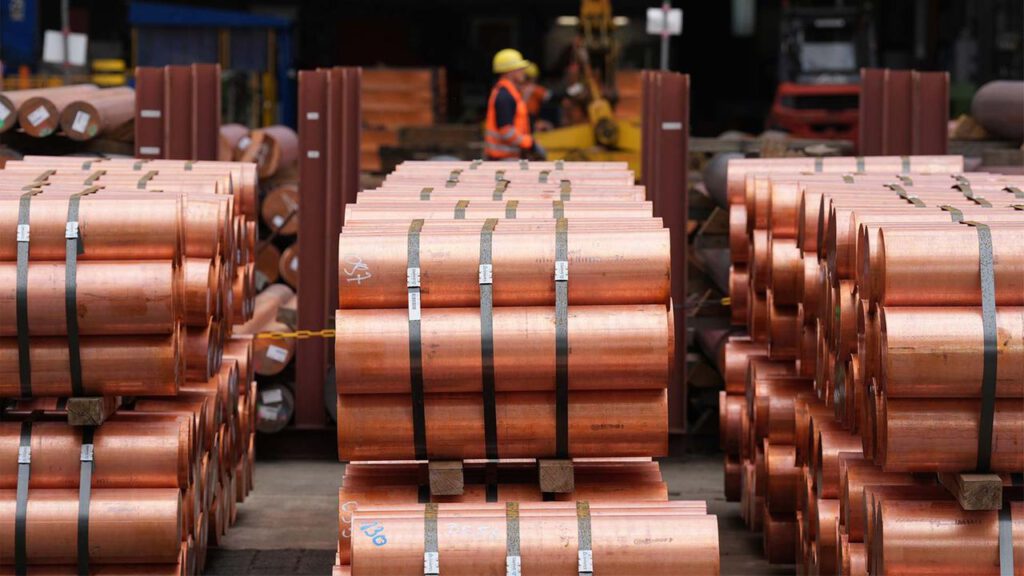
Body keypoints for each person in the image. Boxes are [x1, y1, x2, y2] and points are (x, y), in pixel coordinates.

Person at [484, 49, 546, 160]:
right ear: (510, 71)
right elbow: (506, 131)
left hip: (507, 158)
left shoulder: (509, 92)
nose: (523, 72)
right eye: (520, 68)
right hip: (503, 159)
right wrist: (531, 144)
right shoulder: (505, 95)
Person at [521, 62, 553, 131]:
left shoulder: (517, 88)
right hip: (531, 119)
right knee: (548, 126)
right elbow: (549, 96)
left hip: (521, 119)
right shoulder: (534, 89)